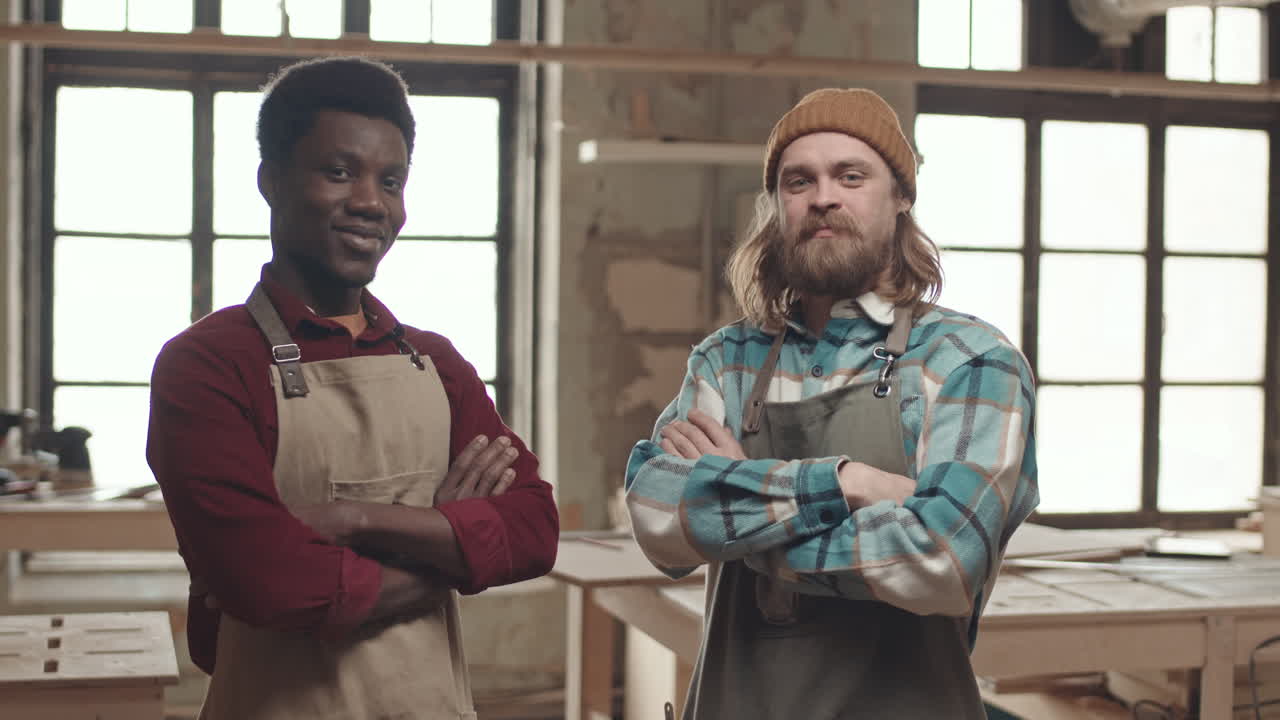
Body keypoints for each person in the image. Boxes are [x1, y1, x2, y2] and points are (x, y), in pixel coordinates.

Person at [147, 56, 558, 720]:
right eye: (338, 172)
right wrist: (448, 546)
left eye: (390, 180)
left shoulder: (437, 363)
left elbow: (535, 530)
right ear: (271, 180)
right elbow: (271, 583)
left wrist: (353, 521)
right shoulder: (206, 366)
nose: (370, 201)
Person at [624, 88, 1038, 719]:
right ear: (777, 206)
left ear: (900, 197)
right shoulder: (725, 360)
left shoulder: (969, 361)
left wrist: (735, 514)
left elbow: (941, 561)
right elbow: (658, 515)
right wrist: (851, 484)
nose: (823, 196)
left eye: (851, 175)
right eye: (799, 181)